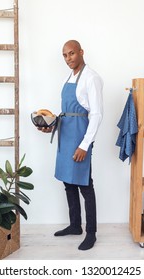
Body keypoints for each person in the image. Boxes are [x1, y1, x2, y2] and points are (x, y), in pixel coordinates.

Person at [38, 40, 103, 250]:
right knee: (68, 183)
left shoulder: (91, 78)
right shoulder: (71, 76)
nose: (68, 59)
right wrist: (52, 124)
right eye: (65, 55)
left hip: (79, 137)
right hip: (66, 134)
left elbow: (96, 115)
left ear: (82, 52)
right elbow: (68, 111)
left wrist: (85, 145)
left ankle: (91, 232)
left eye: (72, 54)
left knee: (85, 184)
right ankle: (75, 225)